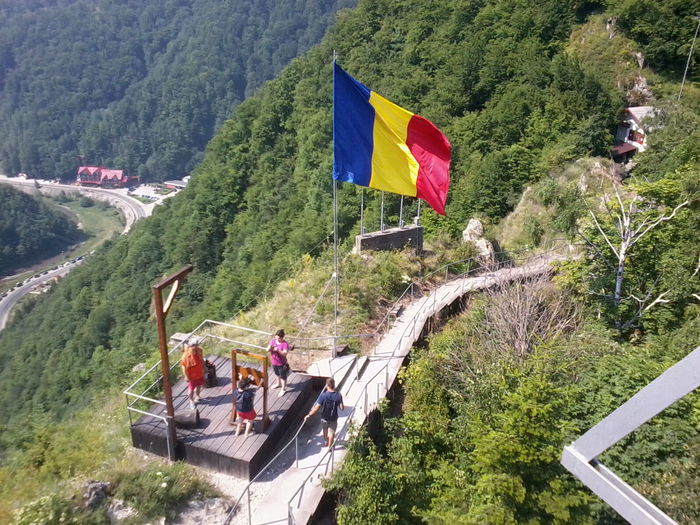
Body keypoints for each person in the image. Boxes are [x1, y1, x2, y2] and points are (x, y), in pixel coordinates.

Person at [304, 378, 344, 448]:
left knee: (325, 430)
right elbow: (342, 408)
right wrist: (340, 401)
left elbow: (316, 408)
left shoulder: (323, 395)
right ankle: (330, 447)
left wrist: (309, 415)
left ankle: (326, 441)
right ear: (334, 385)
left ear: (326, 385)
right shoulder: (338, 395)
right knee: (331, 433)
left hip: (324, 417)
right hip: (333, 418)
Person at [181, 342, 205, 410]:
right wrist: (186, 376)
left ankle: (197, 396)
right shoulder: (185, 356)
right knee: (191, 388)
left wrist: (204, 368)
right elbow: (184, 367)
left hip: (199, 372)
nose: (196, 347)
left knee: (199, 385)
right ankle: (191, 401)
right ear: (190, 346)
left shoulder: (199, 350)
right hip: (192, 375)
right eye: (194, 346)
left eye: (197, 345)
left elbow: (202, 359)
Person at [267, 329, 290, 396]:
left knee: (283, 376)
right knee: (277, 373)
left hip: (281, 363)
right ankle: (278, 383)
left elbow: (285, 354)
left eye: (279, 338)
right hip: (274, 362)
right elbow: (267, 349)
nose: (277, 339)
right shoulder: (273, 340)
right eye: (276, 337)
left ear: (282, 337)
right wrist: (270, 348)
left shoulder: (284, 344)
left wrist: (278, 350)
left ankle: (283, 388)